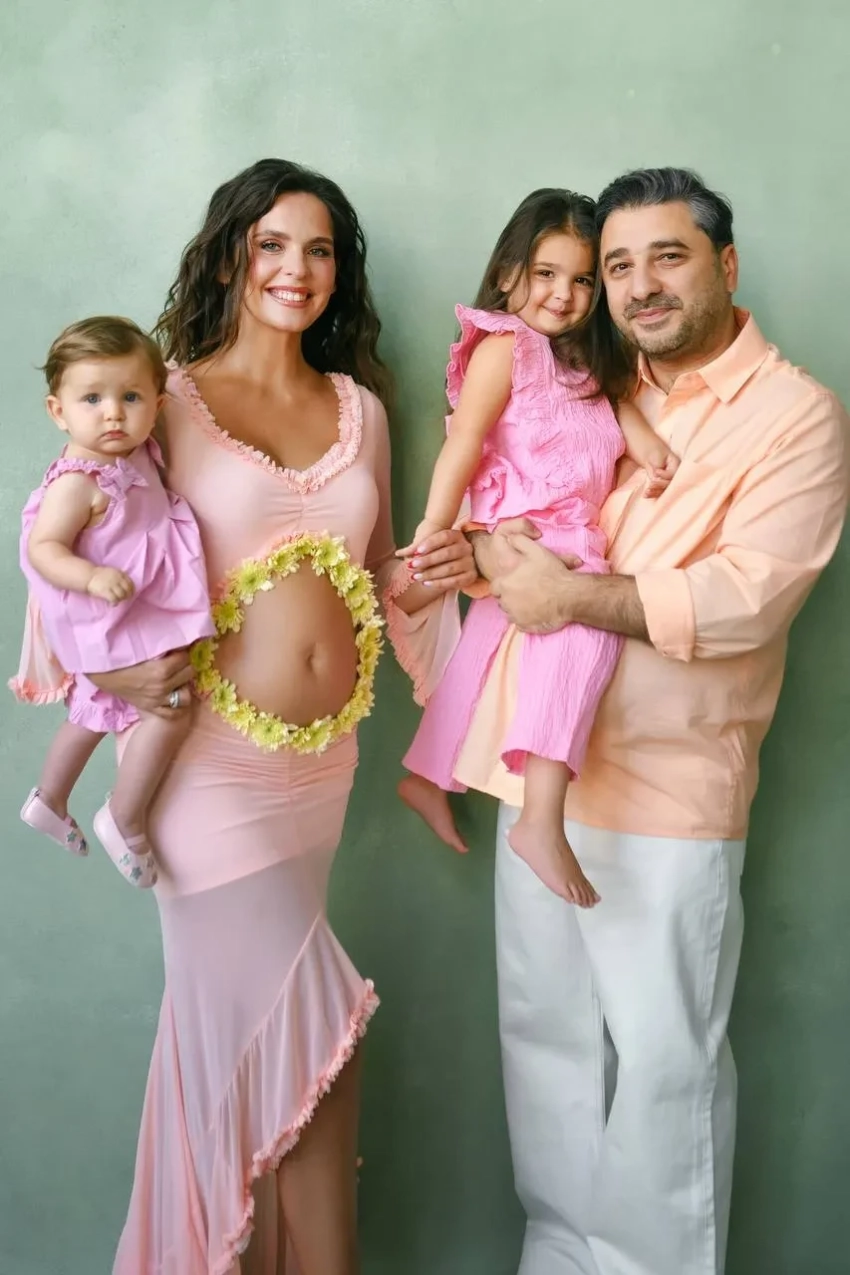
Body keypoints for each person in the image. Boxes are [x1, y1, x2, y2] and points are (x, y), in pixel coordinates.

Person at [56, 159, 471, 1275]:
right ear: (230, 256)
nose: (297, 269)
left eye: (319, 249)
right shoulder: (163, 399)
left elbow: (376, 580)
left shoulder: (361, 410)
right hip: (204, 772)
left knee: (275, 1057)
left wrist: (459, 566)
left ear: (339, 272)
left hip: (318, 774)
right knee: (318, 1040)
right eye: (272, 245)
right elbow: (70, 538)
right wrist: (106, 674)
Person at [457, 169, 849, 1275]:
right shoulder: (581, 378)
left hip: (670, 796)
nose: (638, 286)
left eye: (666, 257)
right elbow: (507, 507)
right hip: (537, 768)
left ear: (725, 265)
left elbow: (745, 597)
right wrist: (485, 549)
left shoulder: (797, 416)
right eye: (618, 265)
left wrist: (568, 596)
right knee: (544, 1045)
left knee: (666, 1069)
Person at [397, 188, 676, 906]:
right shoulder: (506, 347)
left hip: (561, 528)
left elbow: (618, 415)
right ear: (508, 273)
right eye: (546, 273)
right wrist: (436, 524)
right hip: (536, 530)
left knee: (478, 654)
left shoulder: (585, 364)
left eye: (582, 279)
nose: (564, 294)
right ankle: (541, 820)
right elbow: (464, 440)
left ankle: (426, 776)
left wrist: (648, 449)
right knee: (585, 635)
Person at [10, 317, 214, 887]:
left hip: (131, 611)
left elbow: (160, 375)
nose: (113, 414)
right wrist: (92, 576)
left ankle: (49, 799)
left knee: (91, 710)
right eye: (92, 399)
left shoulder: (134, 451)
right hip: (110, 616)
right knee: (171, 708)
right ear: (58, 412)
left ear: (157, 403)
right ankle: (126, 818)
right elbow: (44, 548)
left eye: (130, 398)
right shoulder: (77, 482)